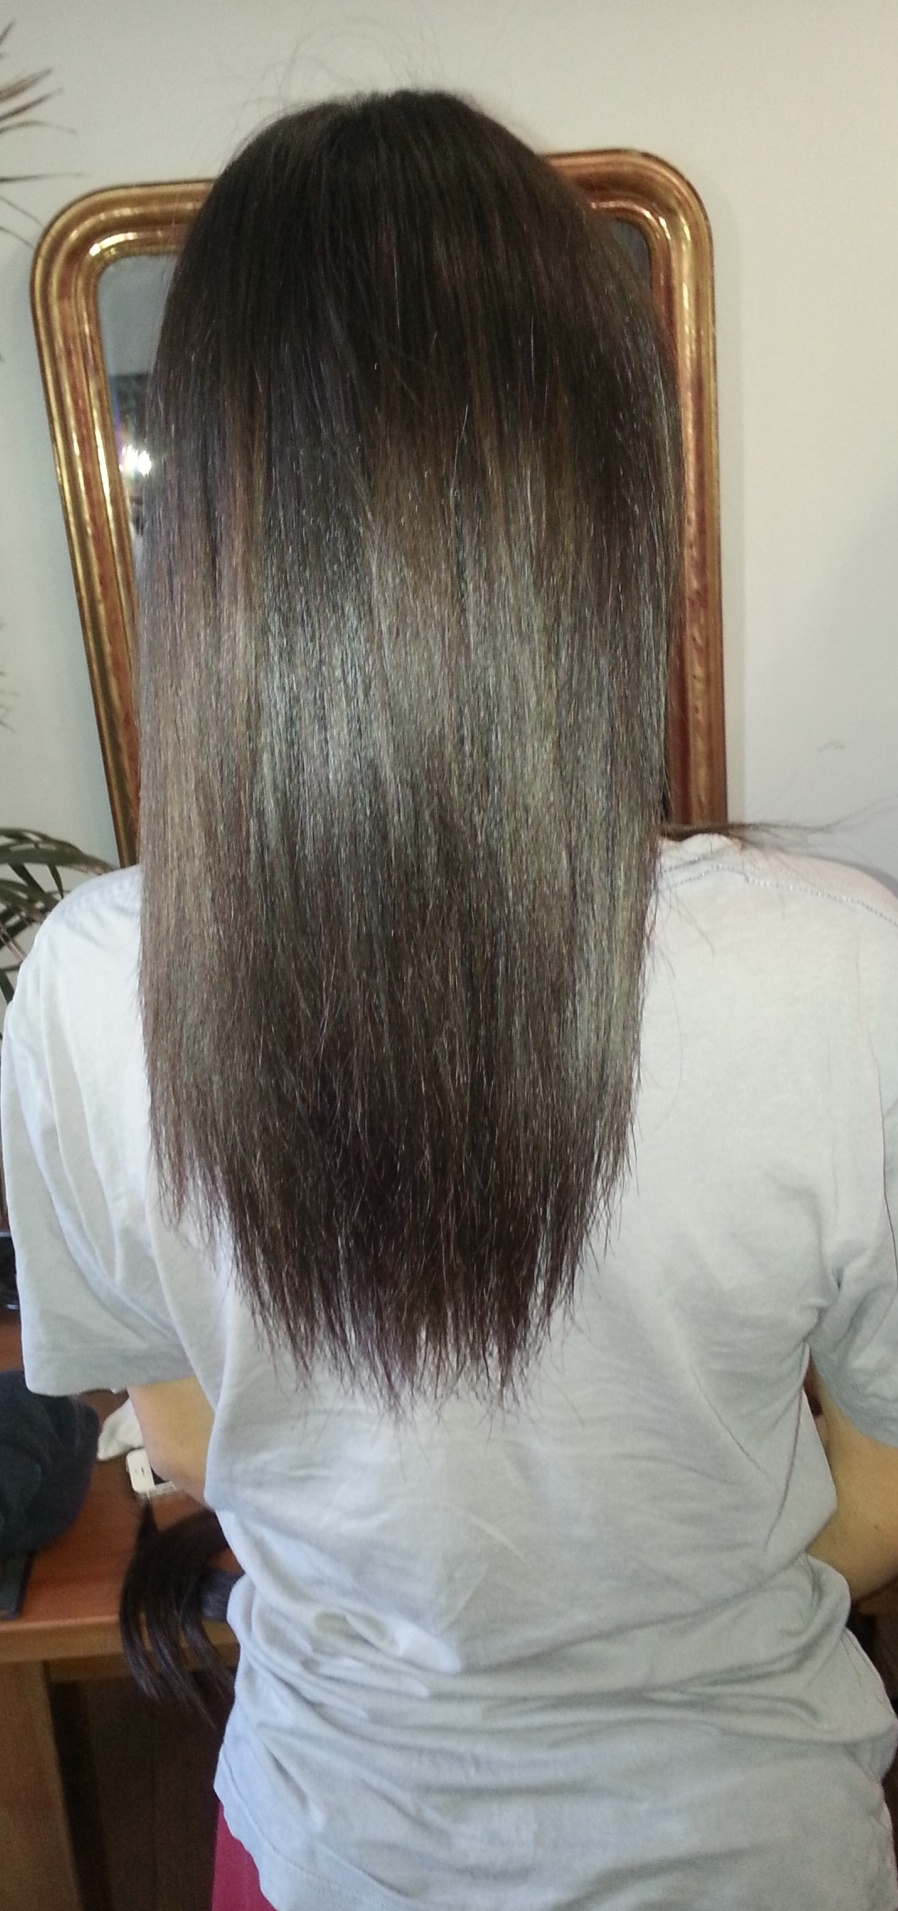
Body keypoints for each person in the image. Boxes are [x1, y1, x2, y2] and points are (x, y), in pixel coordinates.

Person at [4, 89, 898, 1911]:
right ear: (604, 503)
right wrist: (659, 1608)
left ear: (214, 525)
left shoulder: (93, 985)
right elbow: (883, 1484)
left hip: (330, 1846)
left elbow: (185, 1441)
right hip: (744, 1849)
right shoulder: (834, 970)